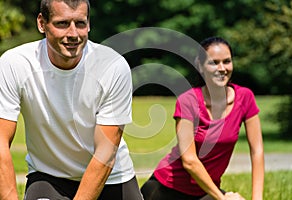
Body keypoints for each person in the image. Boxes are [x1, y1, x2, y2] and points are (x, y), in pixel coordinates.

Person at [0, 0, 144, 199]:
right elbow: (0, 140)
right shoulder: (14, 64)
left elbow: (105, 150)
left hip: (111, 177)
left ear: (89, 24)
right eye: (62, 23)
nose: (73, 34)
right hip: (49, 176)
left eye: (80, 23)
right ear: (42, 24)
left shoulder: (113, 66)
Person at [141, 36, 264, 200]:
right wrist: (222, 198)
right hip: (165, 190)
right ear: (200, 66)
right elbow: (189, 161)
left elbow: (257, 151)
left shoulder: (245, 97)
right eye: (214, 62)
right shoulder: (188, 101)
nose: (222, 68)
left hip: (205, 190)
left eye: (227, 61)